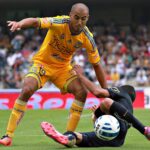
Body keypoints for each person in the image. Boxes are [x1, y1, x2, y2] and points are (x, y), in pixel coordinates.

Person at [0, 3, 107, 146]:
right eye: (76, 18)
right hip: (43, 64)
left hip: (63, 69)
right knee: (27, 89)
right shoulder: (59, 22)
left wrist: (107, 92)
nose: (79, 22)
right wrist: (20, 23)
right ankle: (8, 135)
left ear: (88, 18)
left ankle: (68, 137)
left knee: (81, 92)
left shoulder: (87, 37)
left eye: (83, 19)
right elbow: (35, 21)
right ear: (70, 15)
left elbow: (97, 65)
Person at [40, 65, 150, 147]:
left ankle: (144, 130)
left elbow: (97, 92)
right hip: (116, 140)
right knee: (77, 136)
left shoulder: (123, 92)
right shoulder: (127, 111)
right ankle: (67, 138)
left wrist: (80, 75)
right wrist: (97, 116)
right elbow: (101, 126)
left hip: (114, 130)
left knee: (105, 102)